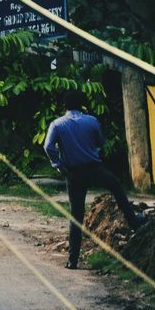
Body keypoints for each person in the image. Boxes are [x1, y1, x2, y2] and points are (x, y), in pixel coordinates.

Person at [43, 90, 145, 270]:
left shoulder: (56, 124)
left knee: (76, 214)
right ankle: (133, 221)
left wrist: (58, 164)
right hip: (94, 168)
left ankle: (72, 260)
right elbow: (100, 142)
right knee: (116, 186)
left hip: (73, 173)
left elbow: (48, 146)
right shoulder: (91, 121)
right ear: (82, 105)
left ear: (64, 106)